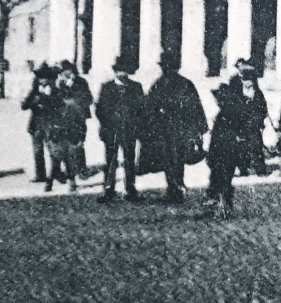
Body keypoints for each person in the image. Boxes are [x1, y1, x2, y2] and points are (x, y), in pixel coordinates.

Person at [144, 50, 208, 201]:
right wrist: (200, 129)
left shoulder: (166, 84)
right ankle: (176, 186)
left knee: (173, 158)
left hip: (173, 128)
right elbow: (149, 106)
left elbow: (194, 106)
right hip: (173, 128)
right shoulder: (179, 83)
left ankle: (175, 187)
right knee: (173, 158)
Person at [204, 69, 267, 218]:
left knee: (220, 178)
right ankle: (223, 205)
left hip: (225, 150)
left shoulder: (228, 110)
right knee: (224, 178)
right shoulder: (234, 107)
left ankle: (221, 206)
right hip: (230, 149)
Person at [95, 55, 146, 202]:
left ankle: (130, 189)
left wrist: (136, 123)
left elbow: (142, 109)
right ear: (115, 72)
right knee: (110, 160)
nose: (122, 74)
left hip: (129, 130)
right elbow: (99, 109)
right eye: (119, 71)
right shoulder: (107, 87)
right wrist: (108, 123)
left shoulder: (136, 87)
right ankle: (108, 189)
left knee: (129, 160)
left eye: (125, 71)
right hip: (111, 130)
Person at [56, 60, 93, 181]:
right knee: (64, 145)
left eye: (68, 70)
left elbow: (89, 99)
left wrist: (72, 88)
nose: (66, 73)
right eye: (63, 71)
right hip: (62, 119)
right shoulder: (58, 83)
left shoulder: (81, 82)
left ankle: (82, 170)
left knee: (78, 144)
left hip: (78, 118)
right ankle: (68, 171)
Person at [21, 64, 58, 182]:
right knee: (37, 151)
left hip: (50, 124)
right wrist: (33, 102)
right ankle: (40, 175)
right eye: (40, 78)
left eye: (45, 78)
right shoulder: (34, 91)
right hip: (35, 125)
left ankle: (56, 174)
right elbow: (24, 106)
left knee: (53, 150)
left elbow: (58, 107)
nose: (42, 80)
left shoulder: (54, 91)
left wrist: (46, 101)